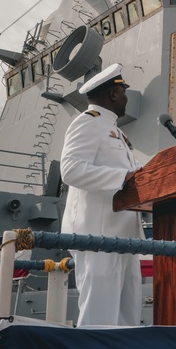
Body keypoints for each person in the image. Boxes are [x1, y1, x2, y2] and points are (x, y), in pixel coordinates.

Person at [60, 62, 143, 326]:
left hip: (126, 237)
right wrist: (124, 177)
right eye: (124, 91)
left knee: (127, 318)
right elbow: (71, 170)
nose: (127, 97)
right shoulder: (87, 123)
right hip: (99, 235)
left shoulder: (117, 132)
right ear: (113, 94)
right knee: (100, 317)